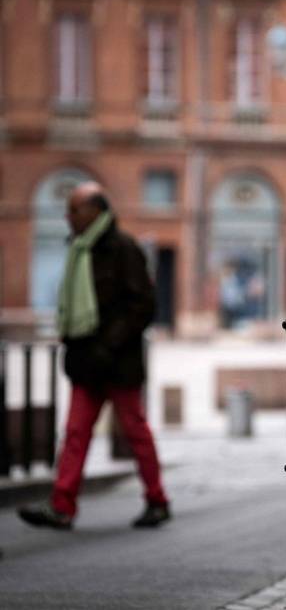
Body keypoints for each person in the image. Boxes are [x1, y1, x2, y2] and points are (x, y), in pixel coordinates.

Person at [18, 182, 170, 530]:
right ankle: (62, 506)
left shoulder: (124, 248)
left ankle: (157, 500)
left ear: (95, 212)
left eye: (74, 210)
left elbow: (143, 305)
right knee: (75, 433)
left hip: (118, 362)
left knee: (135, 431)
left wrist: (109, 343)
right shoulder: (78, 250)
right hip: (87, 362)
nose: (68, 217)